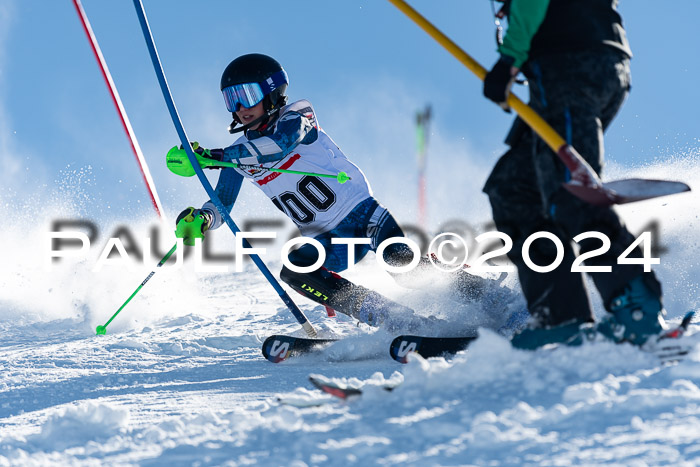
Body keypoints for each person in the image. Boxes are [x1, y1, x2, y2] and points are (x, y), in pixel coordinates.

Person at [170, 53, 503, 332]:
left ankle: (490, 296)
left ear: (272, 92)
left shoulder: (299, 115)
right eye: (232, 98)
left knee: (406, 270)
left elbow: (279, 145)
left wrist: (214, 156)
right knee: (296, 269)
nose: (241, 106)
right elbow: (222, 204)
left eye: (248, 94)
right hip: (326, 239)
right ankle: (394, 319)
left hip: (364, 216)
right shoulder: (238, 151)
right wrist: (203, 219)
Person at [480, 0, 667, 349]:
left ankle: (635, 305)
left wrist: (510, 58)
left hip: (569, 63)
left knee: (571, 191)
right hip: (581, 62)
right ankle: (560, 315)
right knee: (516, 189)